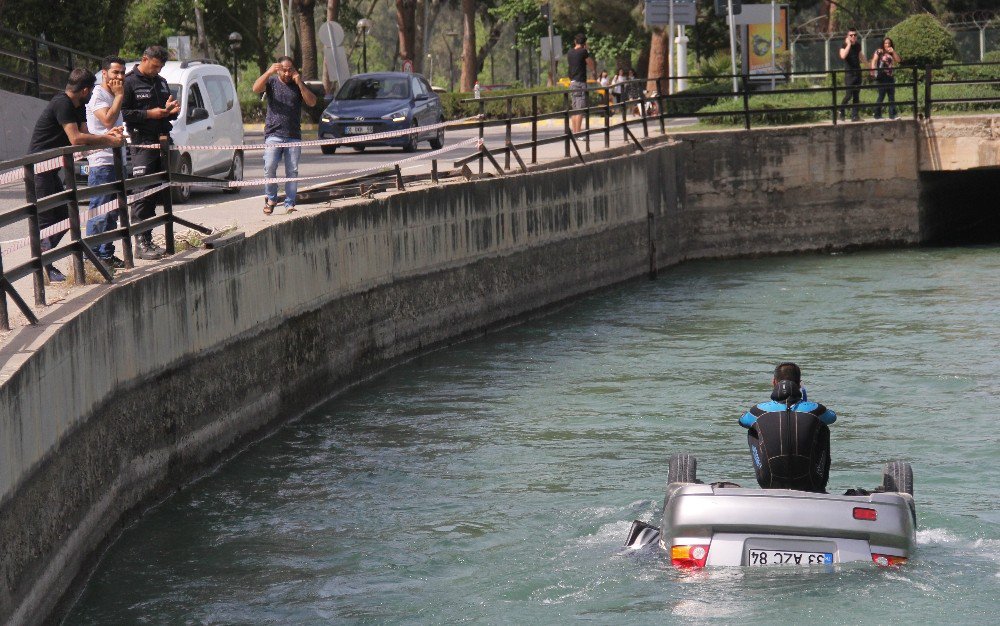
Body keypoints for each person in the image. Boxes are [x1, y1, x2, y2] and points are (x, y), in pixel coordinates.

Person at [28, 68, 125, 282]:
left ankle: (45, 258)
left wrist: (106, 135)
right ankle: (45, 267)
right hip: (38, 168)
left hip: (53, 168)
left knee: (64, 217)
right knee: (46, 220)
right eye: (92, 90)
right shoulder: (62, 103)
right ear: (86, 90)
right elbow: (75, 139)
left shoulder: (79, 105)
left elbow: (85, 136)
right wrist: (109, 141)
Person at [739, 362, 837, 493]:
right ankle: (820, 488)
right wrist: (805, 403)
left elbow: (742, 420)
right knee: (822, 427)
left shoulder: (758, 411)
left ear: (774, 382)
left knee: (753, 429)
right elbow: (832, 417)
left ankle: (767, 481)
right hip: (810, 481)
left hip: (769, 480)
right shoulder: (815, 410)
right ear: (800, 384)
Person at [121, 45, 180, 260]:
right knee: (142, 193)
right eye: (155, 66)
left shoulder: (161, 82)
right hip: (143, 143)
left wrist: (171, 111)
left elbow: (166, 113)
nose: (157, 70)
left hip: (162, 141)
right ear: (144, 59)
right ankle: (139, 242)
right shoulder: (129, 82)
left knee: (156, 193)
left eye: (160, 67)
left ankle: (148, 239)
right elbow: (124, 113)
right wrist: (149, 114)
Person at [251, 56, 317, 215]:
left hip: (293, 135)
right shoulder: (272, 82)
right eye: (284, 70)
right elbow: (256, 88)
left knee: (292, 170)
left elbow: (312, 102)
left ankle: (290, 203)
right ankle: (271, 198)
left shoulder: (297, 85)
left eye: (290, 70)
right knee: (269, 166)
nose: (287, 74)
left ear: (295, 70)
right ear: (278, 69)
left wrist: (300, 83)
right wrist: (268, 72)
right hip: (274, 134)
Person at [85, 55, 127, 269]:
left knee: (113, 212)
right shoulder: (98, 96)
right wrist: (119, 96)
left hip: (117, 160)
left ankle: (106, 254)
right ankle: (91, 259)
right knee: (100, 210)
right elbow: (107, 120)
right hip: (102, 162)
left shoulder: (113, 95)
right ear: (104, 73)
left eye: (122, 73)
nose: (119, 77)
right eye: (115, 73)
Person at [566, 33, 595, 134]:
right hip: (580, 83)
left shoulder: (570, 52)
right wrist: (587, 50)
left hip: (572, 82)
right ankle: (578, 133)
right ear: (584, 43)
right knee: (580, 110)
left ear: (575, 41)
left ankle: (575, 132)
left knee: (575, 110)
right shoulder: (583, 52)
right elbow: (591, 64)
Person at [871, 37, 902, 120]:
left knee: (891, 96)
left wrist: (893, 52)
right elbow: (874, 61)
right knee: (881, 95)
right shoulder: (879, 51)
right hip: (881, 76)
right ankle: (877, 114)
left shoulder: (891, 52)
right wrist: (873, 71)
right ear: (883, 44)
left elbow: (898, 60)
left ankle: (893, 115)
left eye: (889, 43)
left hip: (890, 77)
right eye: (885, 43)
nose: (887, 45)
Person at [839, 28, 863, 121]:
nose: (853, 37)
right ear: (847, 36)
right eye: (851, 35)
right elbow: (843, 56)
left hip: (858, 72)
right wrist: (848, 44)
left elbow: (861, 56)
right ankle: (841, 111)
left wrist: (869, 66)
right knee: (848, 95)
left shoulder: (858, 45)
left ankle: (855, 115)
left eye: (855, 35)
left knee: (856, 95)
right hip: (849, 74)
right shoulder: (844, 45)